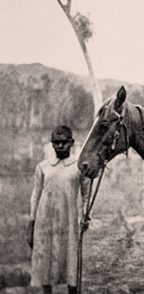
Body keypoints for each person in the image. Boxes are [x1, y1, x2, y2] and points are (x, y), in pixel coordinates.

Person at [27, 126, 90, 294]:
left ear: (71, 143)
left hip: (69, 221)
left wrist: (85, 217)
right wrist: (32, 222)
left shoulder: (79, 166)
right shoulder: (43, 167)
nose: (61, 146)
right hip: (45, 220)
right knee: (46, 257)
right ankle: (47, 290)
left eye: (64, 142)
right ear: (52, 144)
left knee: (70, 258)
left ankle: (72, 290)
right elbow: (35, 195)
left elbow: (86, 195)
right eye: (57, 142)